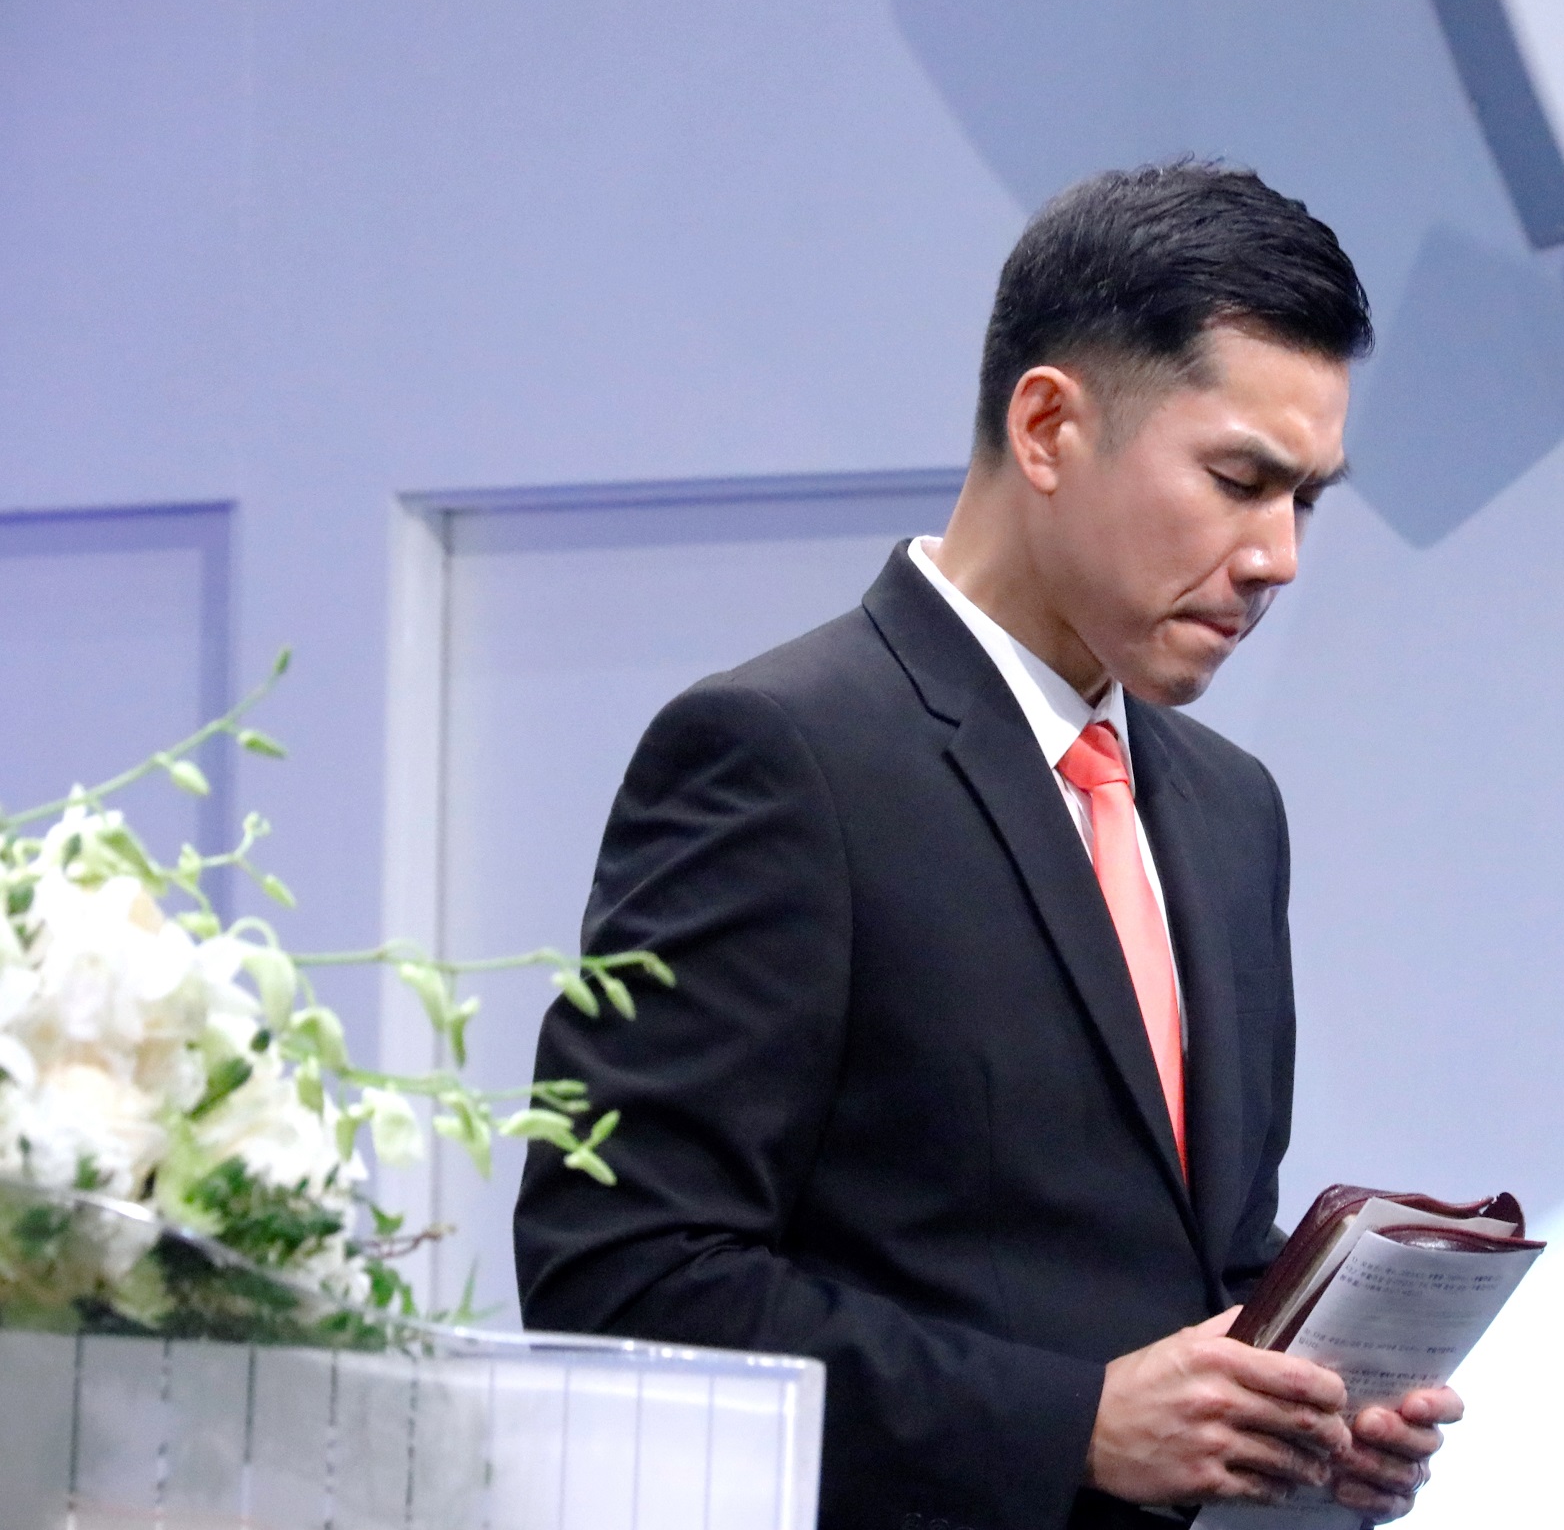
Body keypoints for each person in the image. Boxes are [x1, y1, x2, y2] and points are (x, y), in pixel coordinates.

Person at [515, 161, 1462, 1530]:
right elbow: (618, 1279)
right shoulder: (781, 753)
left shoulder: (1231, 809)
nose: (1279, 557)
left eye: (1305, 498)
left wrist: (1308, 1414)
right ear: (1048, 427)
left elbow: (1176, 1261)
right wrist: (1070, 1426)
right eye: (1239, 480)